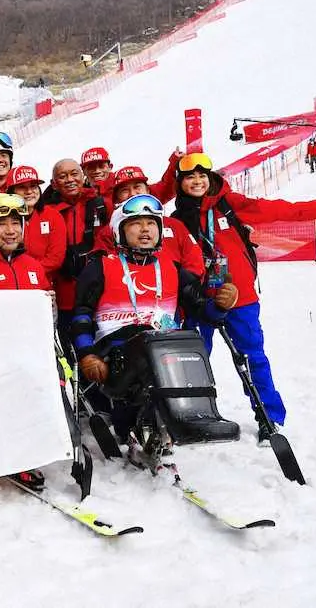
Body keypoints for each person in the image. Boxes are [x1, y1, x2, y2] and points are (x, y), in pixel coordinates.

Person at [171, 152, 316, 439]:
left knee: (252, 357)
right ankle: (194, 415)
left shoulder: (230, 205)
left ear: (210, 178)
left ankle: (269, 417)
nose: (196, 181)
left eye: (201, 175)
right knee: (193, 361)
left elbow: (277, 210)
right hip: (197, 301)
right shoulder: (176, 220)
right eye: (189, 177)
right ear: (180, 183)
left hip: (240, 300)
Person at [70, 194, 239, 439]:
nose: (145, 230)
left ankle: (198, 414)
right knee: (148, 346)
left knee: (188, 342)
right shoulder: (100, 267)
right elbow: (81, 316)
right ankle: (141, 426)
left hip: (163, 347)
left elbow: (203, 310)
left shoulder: (172, 268)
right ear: (120, 230)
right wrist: (87, 355)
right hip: (117, 354)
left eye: (151, 224)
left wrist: (221, 305)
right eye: (136, 224)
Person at [42, 159, 108, 350]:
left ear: (83, 176)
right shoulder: (46, 211)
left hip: (98, 292)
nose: (69, 180)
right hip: (63, 293)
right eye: (62, 176)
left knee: (98, 344)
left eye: (74, 174)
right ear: (54, 183)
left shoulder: (101, 205)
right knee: (66, 344)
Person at [93, 166, 204, 277]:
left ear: (148, 190)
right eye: (125, 190)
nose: (133, 193)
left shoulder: (175, 225)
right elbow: (102, 270)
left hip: (174, 291)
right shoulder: (108, 232)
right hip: (131, 290)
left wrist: (187, 283)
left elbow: (194, 259)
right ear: (116, 199)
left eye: (137, 187)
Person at [5, 165, 66, 277]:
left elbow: (56, 258)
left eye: (33, 186)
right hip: (9, 282)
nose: (29, 191)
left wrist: (27, 274)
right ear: (11, 192)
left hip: (42, 283)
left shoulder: (53, 216)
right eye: (22, 187)